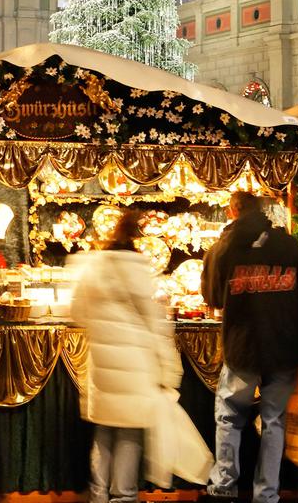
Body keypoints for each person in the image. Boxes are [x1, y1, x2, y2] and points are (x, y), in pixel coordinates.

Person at [200, 192, 298, 503]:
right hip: (283, 349)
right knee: (274, 421)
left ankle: (223, 486)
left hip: (243, 348)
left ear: (232, 210)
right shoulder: (289, 246)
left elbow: (212, 296)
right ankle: (266, 494)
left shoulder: (225, 246)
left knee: (229, 416)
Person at [73, 211, 183, 503]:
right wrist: (168, 369)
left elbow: (77, 312)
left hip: (102, 363)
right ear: (136, 237)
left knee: (104, 431)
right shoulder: (138, 268)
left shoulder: (93, 266)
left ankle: (98, 494)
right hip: (135, 364)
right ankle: (123, 495)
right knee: (129, 433)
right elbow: (155, 323)